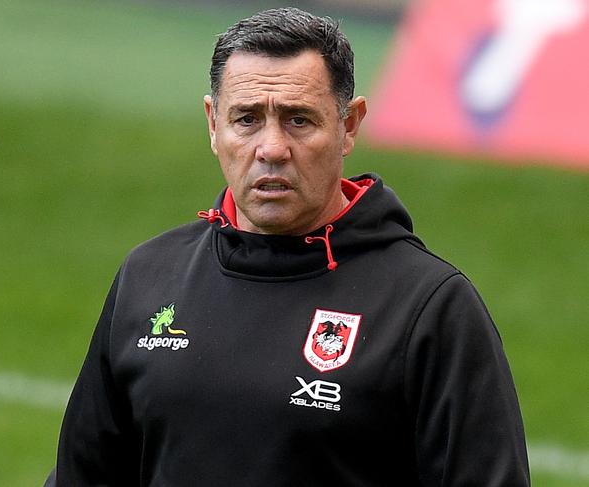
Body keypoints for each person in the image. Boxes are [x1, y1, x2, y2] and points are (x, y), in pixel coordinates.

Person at [49, 7, 530, 486]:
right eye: (247, 119)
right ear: (213, 124)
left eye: (299, 120)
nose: (272, 148)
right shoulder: (151, 275)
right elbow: (83, 475)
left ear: (349, 126)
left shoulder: (429, 307)